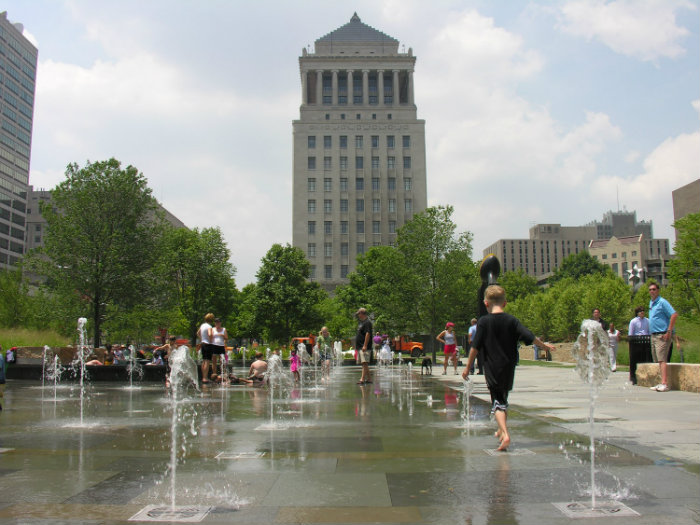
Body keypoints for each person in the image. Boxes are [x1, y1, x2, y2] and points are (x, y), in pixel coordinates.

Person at [462, 285, 555, 451]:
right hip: (508, 367)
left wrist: (467, 367)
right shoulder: (512, 321)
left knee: (497, 402)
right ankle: (500, 429)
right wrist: (545, 346)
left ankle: (505, 433)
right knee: (503, 399)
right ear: (504, 303)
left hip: (492, 366)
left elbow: (475, 347)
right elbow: (530, 337)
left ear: (486, 303)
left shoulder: (483, 322)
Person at [648, 283, 678, 392]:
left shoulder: (662, 302)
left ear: (658, 290)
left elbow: (674, 314)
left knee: (662, 359)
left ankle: (665, 384)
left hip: (662, 334)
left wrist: (669, 331)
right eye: (650, 290)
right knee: (658, 360)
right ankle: (661, 382)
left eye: (654, 289)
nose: (652, 291)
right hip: (654, 335)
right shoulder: (651, 303)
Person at [628, 306, 651, 385]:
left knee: (646, 359)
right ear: (637, 313)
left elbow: (649, 331)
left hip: (645, 341)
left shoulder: (647, 321)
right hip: (636, 341)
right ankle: (633, 377)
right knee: (634, 360)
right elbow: (631, 333)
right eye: (640, 311)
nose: (642, 312)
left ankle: (646, 377)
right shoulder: (633, 321)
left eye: (643, 311)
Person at [355, 307, 373, 385]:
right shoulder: (362, 322)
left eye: (358, 314)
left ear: (362, 313)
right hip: (360, 346)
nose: (358, 315)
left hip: (364, 346)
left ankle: (362, 379)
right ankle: (369, 378)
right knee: (364, 363)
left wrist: (365, 345)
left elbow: (368, 334)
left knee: (364, 362)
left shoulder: (367, 322)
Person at [198, 313, 215, 383]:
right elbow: (210, 334)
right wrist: (211, 341)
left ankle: (203, 377)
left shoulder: (202, 325)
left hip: (203, 344)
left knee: (204, 360)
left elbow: (198, 333)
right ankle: (205, 378)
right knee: (207, 361)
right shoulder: (209, 327)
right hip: (208, 344)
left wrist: (202, 339)